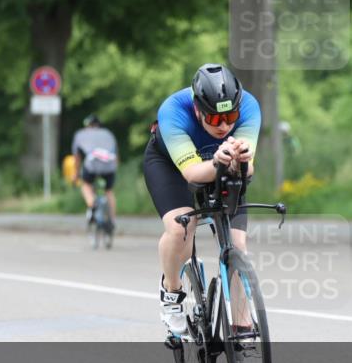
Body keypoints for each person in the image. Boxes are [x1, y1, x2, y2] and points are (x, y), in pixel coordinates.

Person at [143, 63, 259, 336]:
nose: (225, 126)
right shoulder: (173, 110)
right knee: (181, 227)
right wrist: (218, 161)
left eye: (231, 117)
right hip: (171, 166)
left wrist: (241, 160)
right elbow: (193, 174)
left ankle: (241, 324)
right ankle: (171, 293)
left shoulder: (249, 105)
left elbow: (248, 169)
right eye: (215, 119)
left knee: (238, 244)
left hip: (222, 165)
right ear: (197, 110)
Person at [72, 114, 118, 227]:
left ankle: (92, 204)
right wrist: (113, 168)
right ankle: (112, 220)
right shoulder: (108, 133)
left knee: (86, 185)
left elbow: (77, 157)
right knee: (109, 191)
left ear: (87, 125)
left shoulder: (81, 134)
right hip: (109, 164)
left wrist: (76, 174)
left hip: (92, 164)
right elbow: (116, 154)